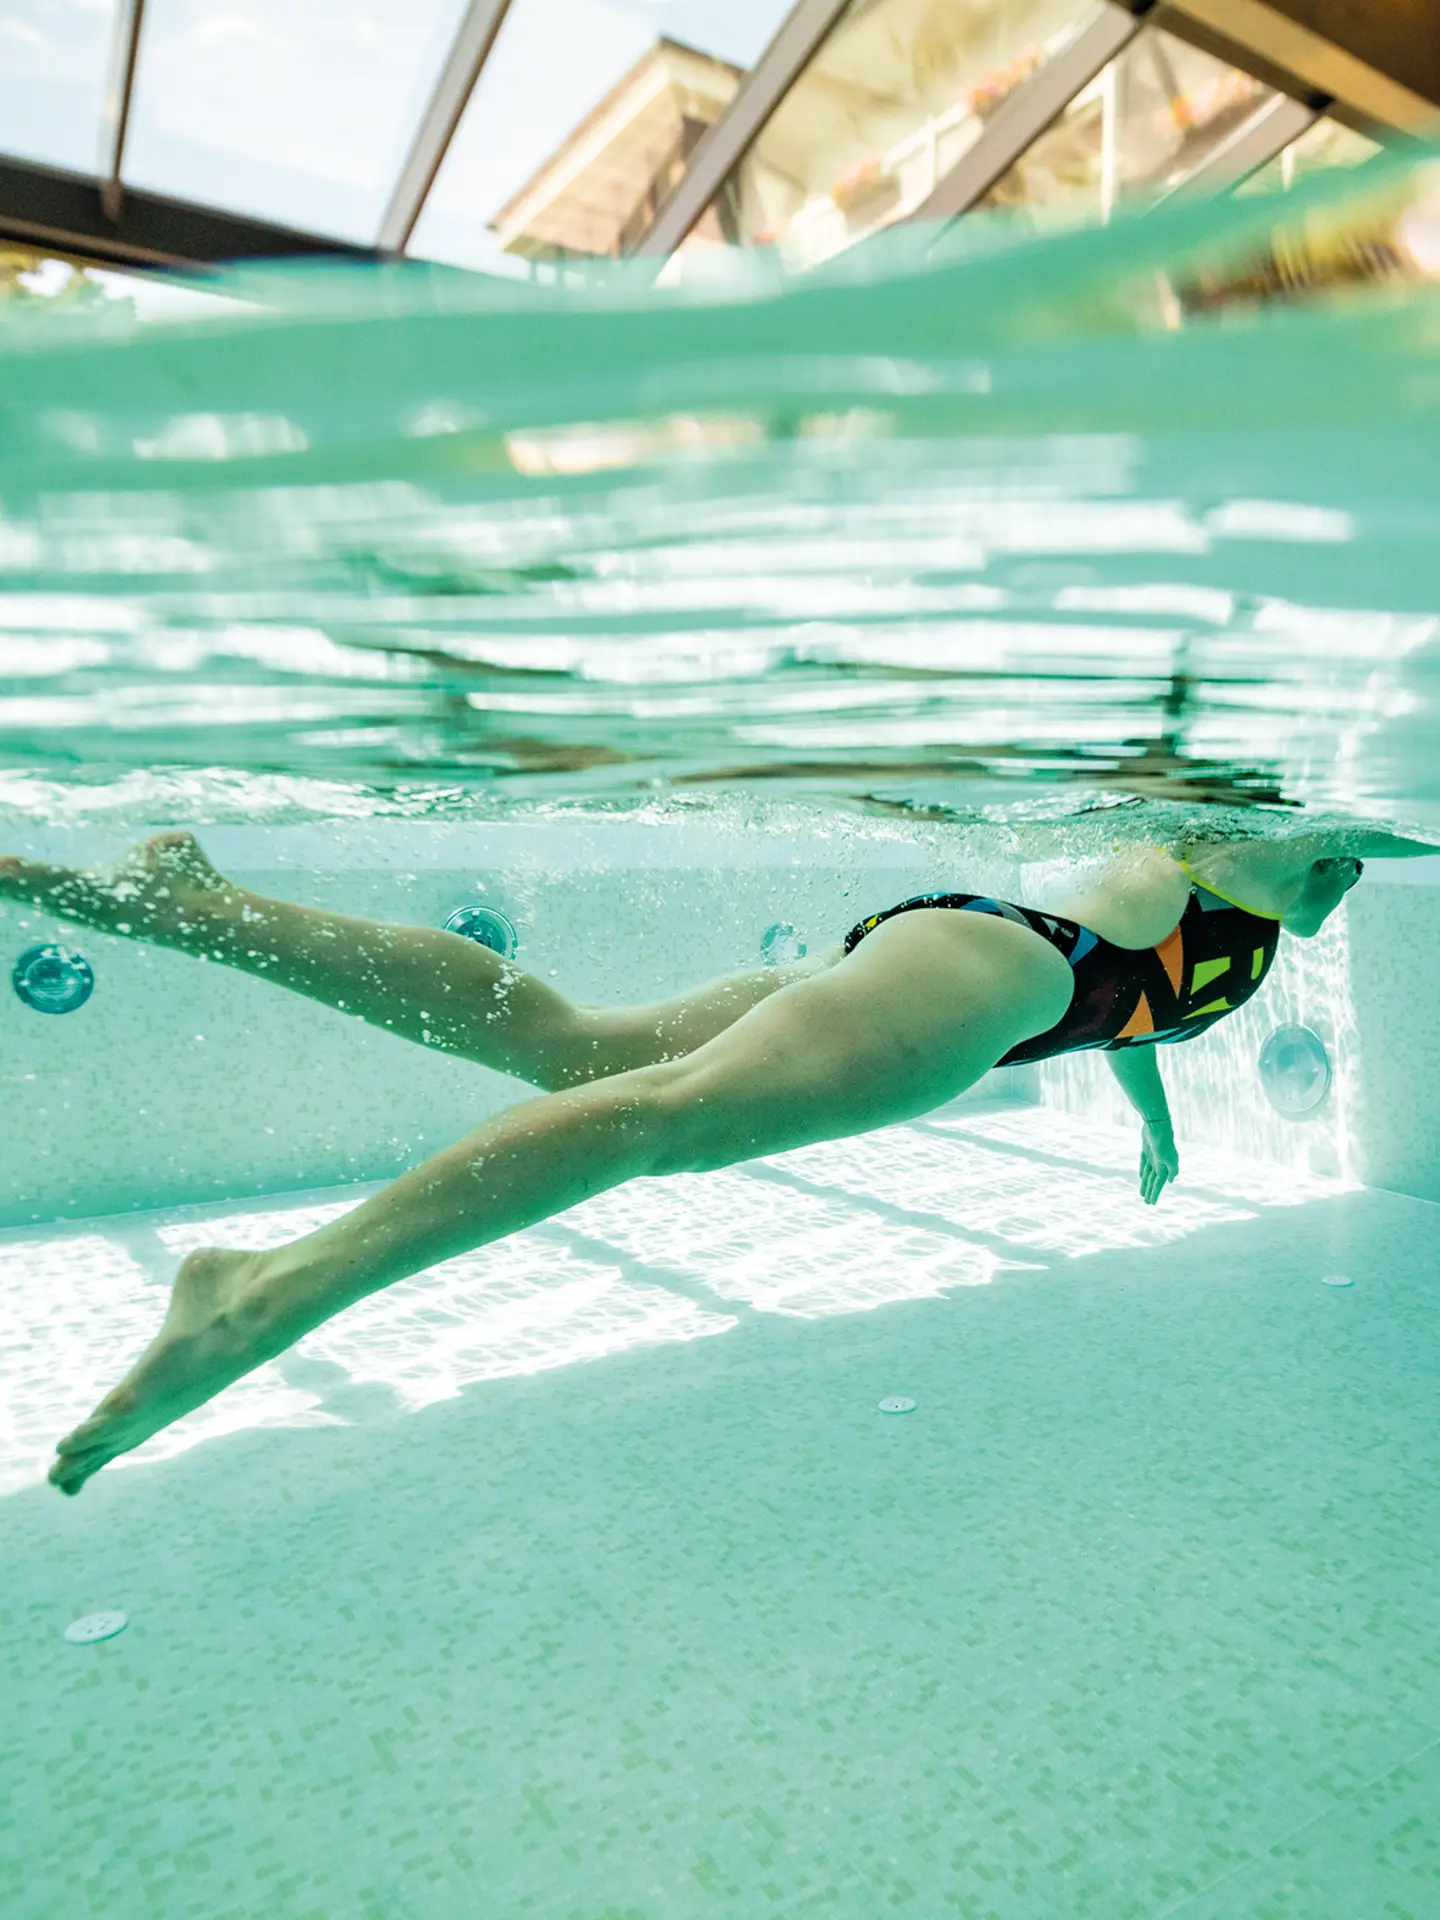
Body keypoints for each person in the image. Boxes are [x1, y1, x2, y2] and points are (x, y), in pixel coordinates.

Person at [0, 821, 1429, 1495]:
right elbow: (1187, 865)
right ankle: (268, 1289)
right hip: (994, 976)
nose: (1355, 868)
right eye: (1339, 853)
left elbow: (1134, 1024)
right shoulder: (1235, 856)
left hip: (960, 960)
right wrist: (1271, 823)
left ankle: (201, 907)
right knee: (672, 1116)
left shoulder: (1234, 934)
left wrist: (1162, 1132)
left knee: (572, 1045)